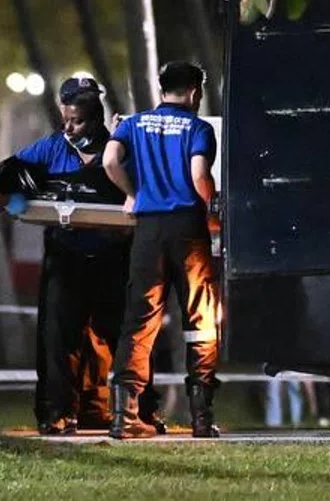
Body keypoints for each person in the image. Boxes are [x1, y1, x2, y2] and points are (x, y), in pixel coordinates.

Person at [0, 75, 153, 435]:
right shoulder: (50, 149)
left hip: (114, 259)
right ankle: (57, 413)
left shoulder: (120, 150)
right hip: (65, 257)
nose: (69, 128)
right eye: (66, 119)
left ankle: (129, 411)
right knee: (58, 338)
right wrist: (9, 198)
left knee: (123, 337)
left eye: (77, 121)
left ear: (95, 118)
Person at [104, 60, 222, 438]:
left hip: (148, 231)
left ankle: (124, 416)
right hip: (188, 229)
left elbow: (109, 161)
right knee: (201, 319)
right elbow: (199, 175)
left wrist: (134, 194)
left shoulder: (132, 124)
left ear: (161, 89)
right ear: (195, 92)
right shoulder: (198, 128)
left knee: (140, 318)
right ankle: (201, 417)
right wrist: (212, 208)